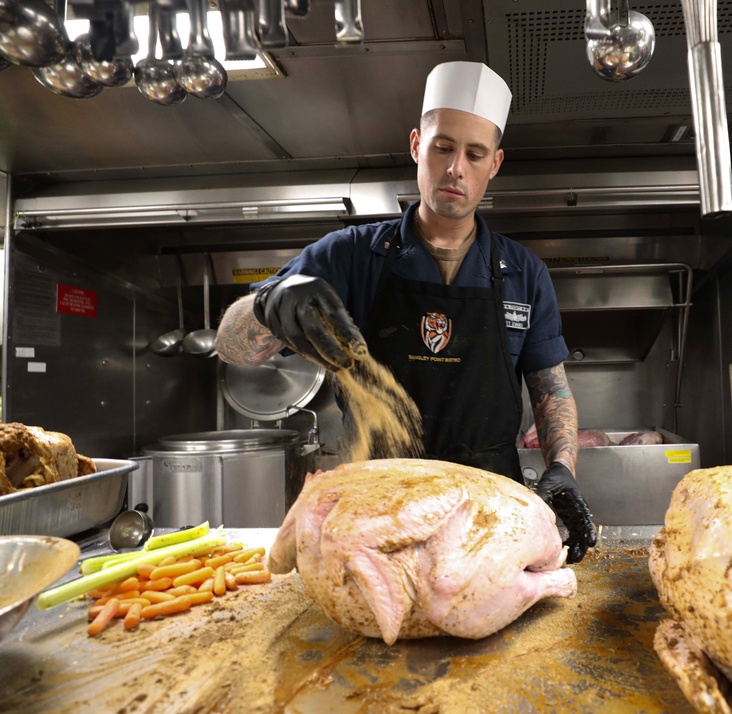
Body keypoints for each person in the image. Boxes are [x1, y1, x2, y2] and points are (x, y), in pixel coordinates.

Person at [216, 61, 597, 563]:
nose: (456, 168)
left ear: (494, 164)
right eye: (443, 147)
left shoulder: (524, 273)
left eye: (474, 154)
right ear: (418, 145)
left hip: (486, 517)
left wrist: (562, 469)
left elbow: (551, 391)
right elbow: (230, 346)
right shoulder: (347, 256)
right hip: (374, 519)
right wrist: (267, 305)